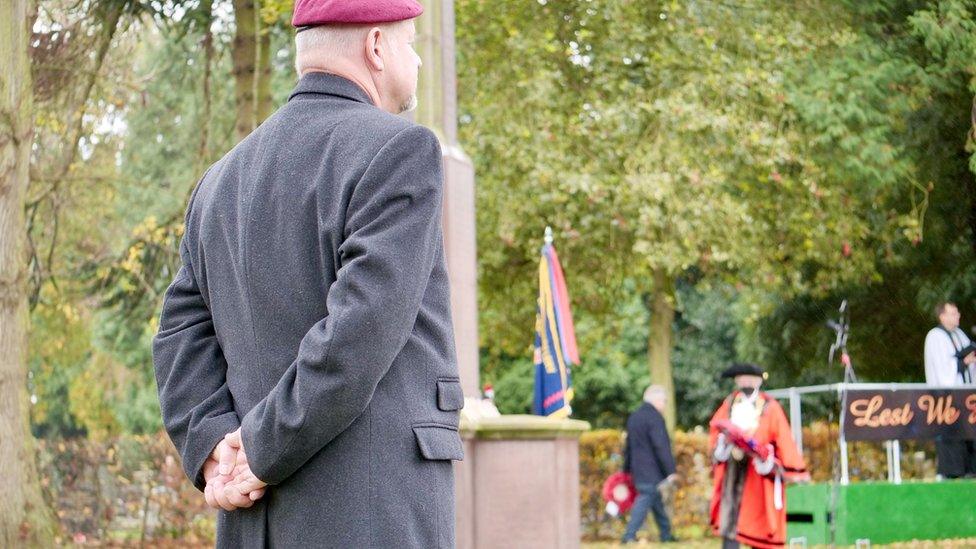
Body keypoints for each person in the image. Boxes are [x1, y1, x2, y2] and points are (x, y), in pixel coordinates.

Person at [151, 1, 464, 547]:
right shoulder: (399, 150)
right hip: (371, 515)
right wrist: (258, 452)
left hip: (254, 522)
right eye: (409, 42)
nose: (414, 59)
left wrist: (211, 446)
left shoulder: (220, 180)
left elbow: (180, 333)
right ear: (375, 47)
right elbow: (359, 333)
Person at [709, 363, 808, 549]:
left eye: (750, 378)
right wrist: (722, 443)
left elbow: (783, 438)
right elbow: (716, 431)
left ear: (759, 381)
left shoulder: (771, 406)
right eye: (742, 377)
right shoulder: (729, 403)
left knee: (758, 521)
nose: (746, 381)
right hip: (733, 470)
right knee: (731, 520)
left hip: (758, 474)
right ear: (737, 380)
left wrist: (770, 460)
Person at [923, 301, 976, 478]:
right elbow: (943, 369)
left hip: (966, 397)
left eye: (957, 312)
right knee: (952, 436)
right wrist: (963, 363)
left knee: (969, 435)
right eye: (953, 313)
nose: (958, 316)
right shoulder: (935, 336)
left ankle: (970, 470)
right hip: (947, 397)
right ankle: (953, 472)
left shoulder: (960, 335)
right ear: (942, 316)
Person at [621, 385, 677, 543]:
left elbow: (628, 447)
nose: (665, 405)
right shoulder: (655, 417)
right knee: (646, 497)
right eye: (665, 401)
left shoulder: (634, 417)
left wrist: (626, 469)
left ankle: (666, 534)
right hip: (651, 469)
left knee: (656, 499)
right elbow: (661, 446)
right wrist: (670, 471)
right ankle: (629, 535)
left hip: (637, 468)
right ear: (657, 400)